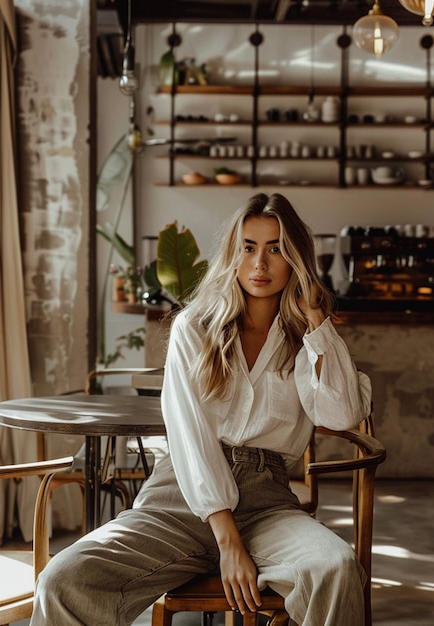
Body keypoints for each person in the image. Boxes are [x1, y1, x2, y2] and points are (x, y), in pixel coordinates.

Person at [31, 192, 372, 625]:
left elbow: (341, 415)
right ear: (233, 252)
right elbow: (190, 436)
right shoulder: (196, 328)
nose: (260, 264)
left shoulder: (304, 340)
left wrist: (319, 326)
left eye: (276, 249)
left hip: (267, 502)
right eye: (249, 247)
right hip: (179, 500)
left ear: (296, 260)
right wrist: (227, 541)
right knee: (62, 580)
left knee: (336, 568)